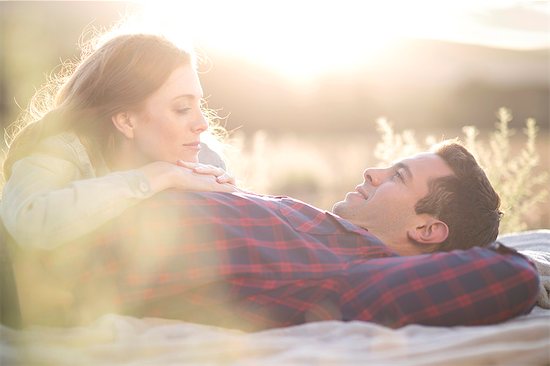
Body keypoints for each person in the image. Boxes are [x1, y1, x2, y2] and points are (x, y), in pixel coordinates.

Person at [8, 138, 538, 330]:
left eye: (397, 176)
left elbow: (506, 276)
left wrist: (528, 263)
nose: (373, 171)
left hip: (35, 264)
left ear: (427, 230)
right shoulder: (321, 232)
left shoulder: (353, 274)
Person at [1, 33, 237, 251]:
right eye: (182, 108)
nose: (203, 123)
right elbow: (29, 222)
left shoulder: (205, 160)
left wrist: (232, 201)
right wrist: (155, 176)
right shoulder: (60, 150)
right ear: (126, 121)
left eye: (199, 104)